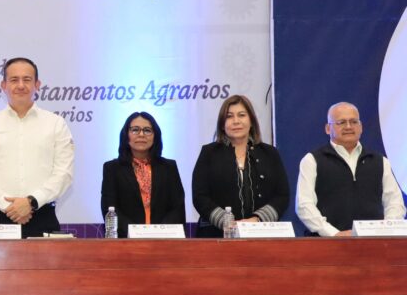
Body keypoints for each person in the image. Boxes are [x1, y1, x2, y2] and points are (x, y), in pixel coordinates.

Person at [0, 57, 74, 238]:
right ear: (4, 85)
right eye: (14, 80)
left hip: (42, 217)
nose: (21, 85)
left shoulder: (56, 124)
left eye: (27, 79)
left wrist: (31, 202)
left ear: (37, 85)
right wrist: (8, 206)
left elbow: (64, 174)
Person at [296, 102, 405, 236]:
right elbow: (304, 205)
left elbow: (395, 203)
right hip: (327, 243)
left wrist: (386, 230)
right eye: (341, 122)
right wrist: (333, 234)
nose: (348, 127)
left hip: (373, 243)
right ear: (328, 129)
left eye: (354, 122)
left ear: (361, 127)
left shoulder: (379, 161)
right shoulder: (312, 160)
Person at [192, 95, 289, 237]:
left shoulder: (270, 153)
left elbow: (282, 195)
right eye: (229, 116)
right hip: (216, 235)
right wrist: (227, 222)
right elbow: (200, 196)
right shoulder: (208, 153)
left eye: (242, 115)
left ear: (251, 121)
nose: (236, 121)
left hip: (261, 234)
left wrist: (256, 220)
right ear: (222, 124)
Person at [100, 111, 185, 237]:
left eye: (147, 130)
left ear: (155, 136)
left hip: (164, 239)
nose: (141, 134)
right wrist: (137, 233)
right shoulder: (112, 168)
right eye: (135, 130)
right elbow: (109, 207)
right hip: (126, 240)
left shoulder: (169, 167)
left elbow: (177, 208)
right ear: (126, 135)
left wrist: (158, 233)